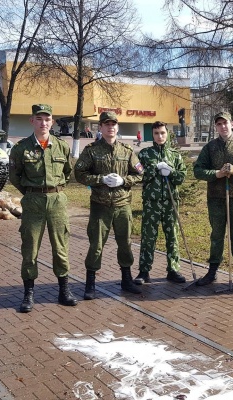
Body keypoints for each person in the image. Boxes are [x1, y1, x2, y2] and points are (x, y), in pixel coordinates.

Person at [9, 104, 78, 313]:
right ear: (32, 121)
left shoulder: (61, 146)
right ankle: (28, 293)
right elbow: (15, 176)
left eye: (47, 119)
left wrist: (55, 189)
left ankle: (64, 290)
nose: (43, 123)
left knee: (61, 248)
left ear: (52, 122)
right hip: (33, 202)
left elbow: (67, 172)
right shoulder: (21, 148)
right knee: (30, 249)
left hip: (57, 201)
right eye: (39, 119)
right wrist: (31, 192)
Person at [74, 111, 144, 297]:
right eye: (107, 124)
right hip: (100, 205)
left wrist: (124, 181)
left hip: (122, 205)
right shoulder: (91, 150)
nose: (110, 127)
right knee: (96, 244)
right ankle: (90, 284)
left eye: (113, 124)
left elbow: (140, 174)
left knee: (125, 243)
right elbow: (79, 174)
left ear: (117, 127)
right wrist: (101, 179)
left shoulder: (127, 151)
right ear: (100, 127)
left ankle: (126, 280)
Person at [192, 111, 233, 288]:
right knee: (216, 235)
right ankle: (212, 271)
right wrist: (217, 174)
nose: (223, 126)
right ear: (216, 127)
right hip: (215, 198)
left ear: (232, 124)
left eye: (225, 123)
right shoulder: (210, 147)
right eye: (219, 124)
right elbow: (198, 171)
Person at [134, 121, 187, 285]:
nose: (160, 136)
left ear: (167, 134)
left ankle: (173, 270)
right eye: (156, 133)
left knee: (172, 236)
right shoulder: (144, 154)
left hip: (170, 203)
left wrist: (171, 172)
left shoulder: (175, 155)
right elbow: (139, 175)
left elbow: (181, 177)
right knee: (148, 237)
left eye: (162, 133)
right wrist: (154, 168)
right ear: (152, 135)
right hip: (152, 202)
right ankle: (144, 271)